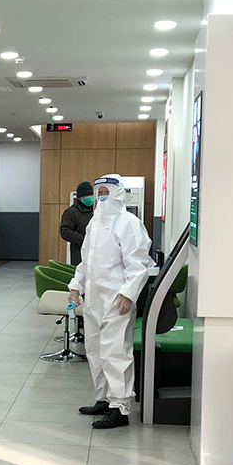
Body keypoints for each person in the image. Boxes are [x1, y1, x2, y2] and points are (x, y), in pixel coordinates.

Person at [68, 175, 153, 429]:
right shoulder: (94, 224)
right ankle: (103, 399)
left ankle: (120, 407)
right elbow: (85, 262)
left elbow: (139, 264)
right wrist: (76, 287)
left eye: (107, 191)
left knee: (115, 352)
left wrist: (128, 294)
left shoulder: (129, 223)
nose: (102, 196)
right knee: (95, 351)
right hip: (94, 300)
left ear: (117, 193)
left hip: (117, 300)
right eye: (100, 192)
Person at [59, 181, 95, 266]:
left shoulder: (98, 210)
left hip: (97, 253)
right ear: (79, 198)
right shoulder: (71, 212)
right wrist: (84, 240)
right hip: (79, 253)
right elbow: (65, 231)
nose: (90, 197)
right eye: (86, 195)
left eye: (91, 195)